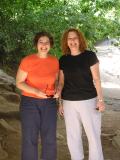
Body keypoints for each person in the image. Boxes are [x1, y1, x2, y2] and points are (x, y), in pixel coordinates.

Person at [57, 28, 105, 160]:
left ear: (80, 40)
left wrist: (100, 100)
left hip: (89, 101)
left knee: (93, 135)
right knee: (73, 136)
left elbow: (97, 79)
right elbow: (61, 83)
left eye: (75, 38)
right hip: (68, 103)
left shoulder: (90, 56)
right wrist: (60, 103)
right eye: (69, 39)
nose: (72, 41)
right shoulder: (63, 59)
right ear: (66, 42)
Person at [16, 31, 59, 160]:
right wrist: (36, 92)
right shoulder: (27, 60)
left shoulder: (54, 61)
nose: (44, 45)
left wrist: (57, 89)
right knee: (29, 138)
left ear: (50, 45)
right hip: (29, 103)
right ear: (36, 44)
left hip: (50, 104)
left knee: (50, 138)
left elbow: (56, 80)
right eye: (41, 42)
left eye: (47, 42)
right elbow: (19, 83)